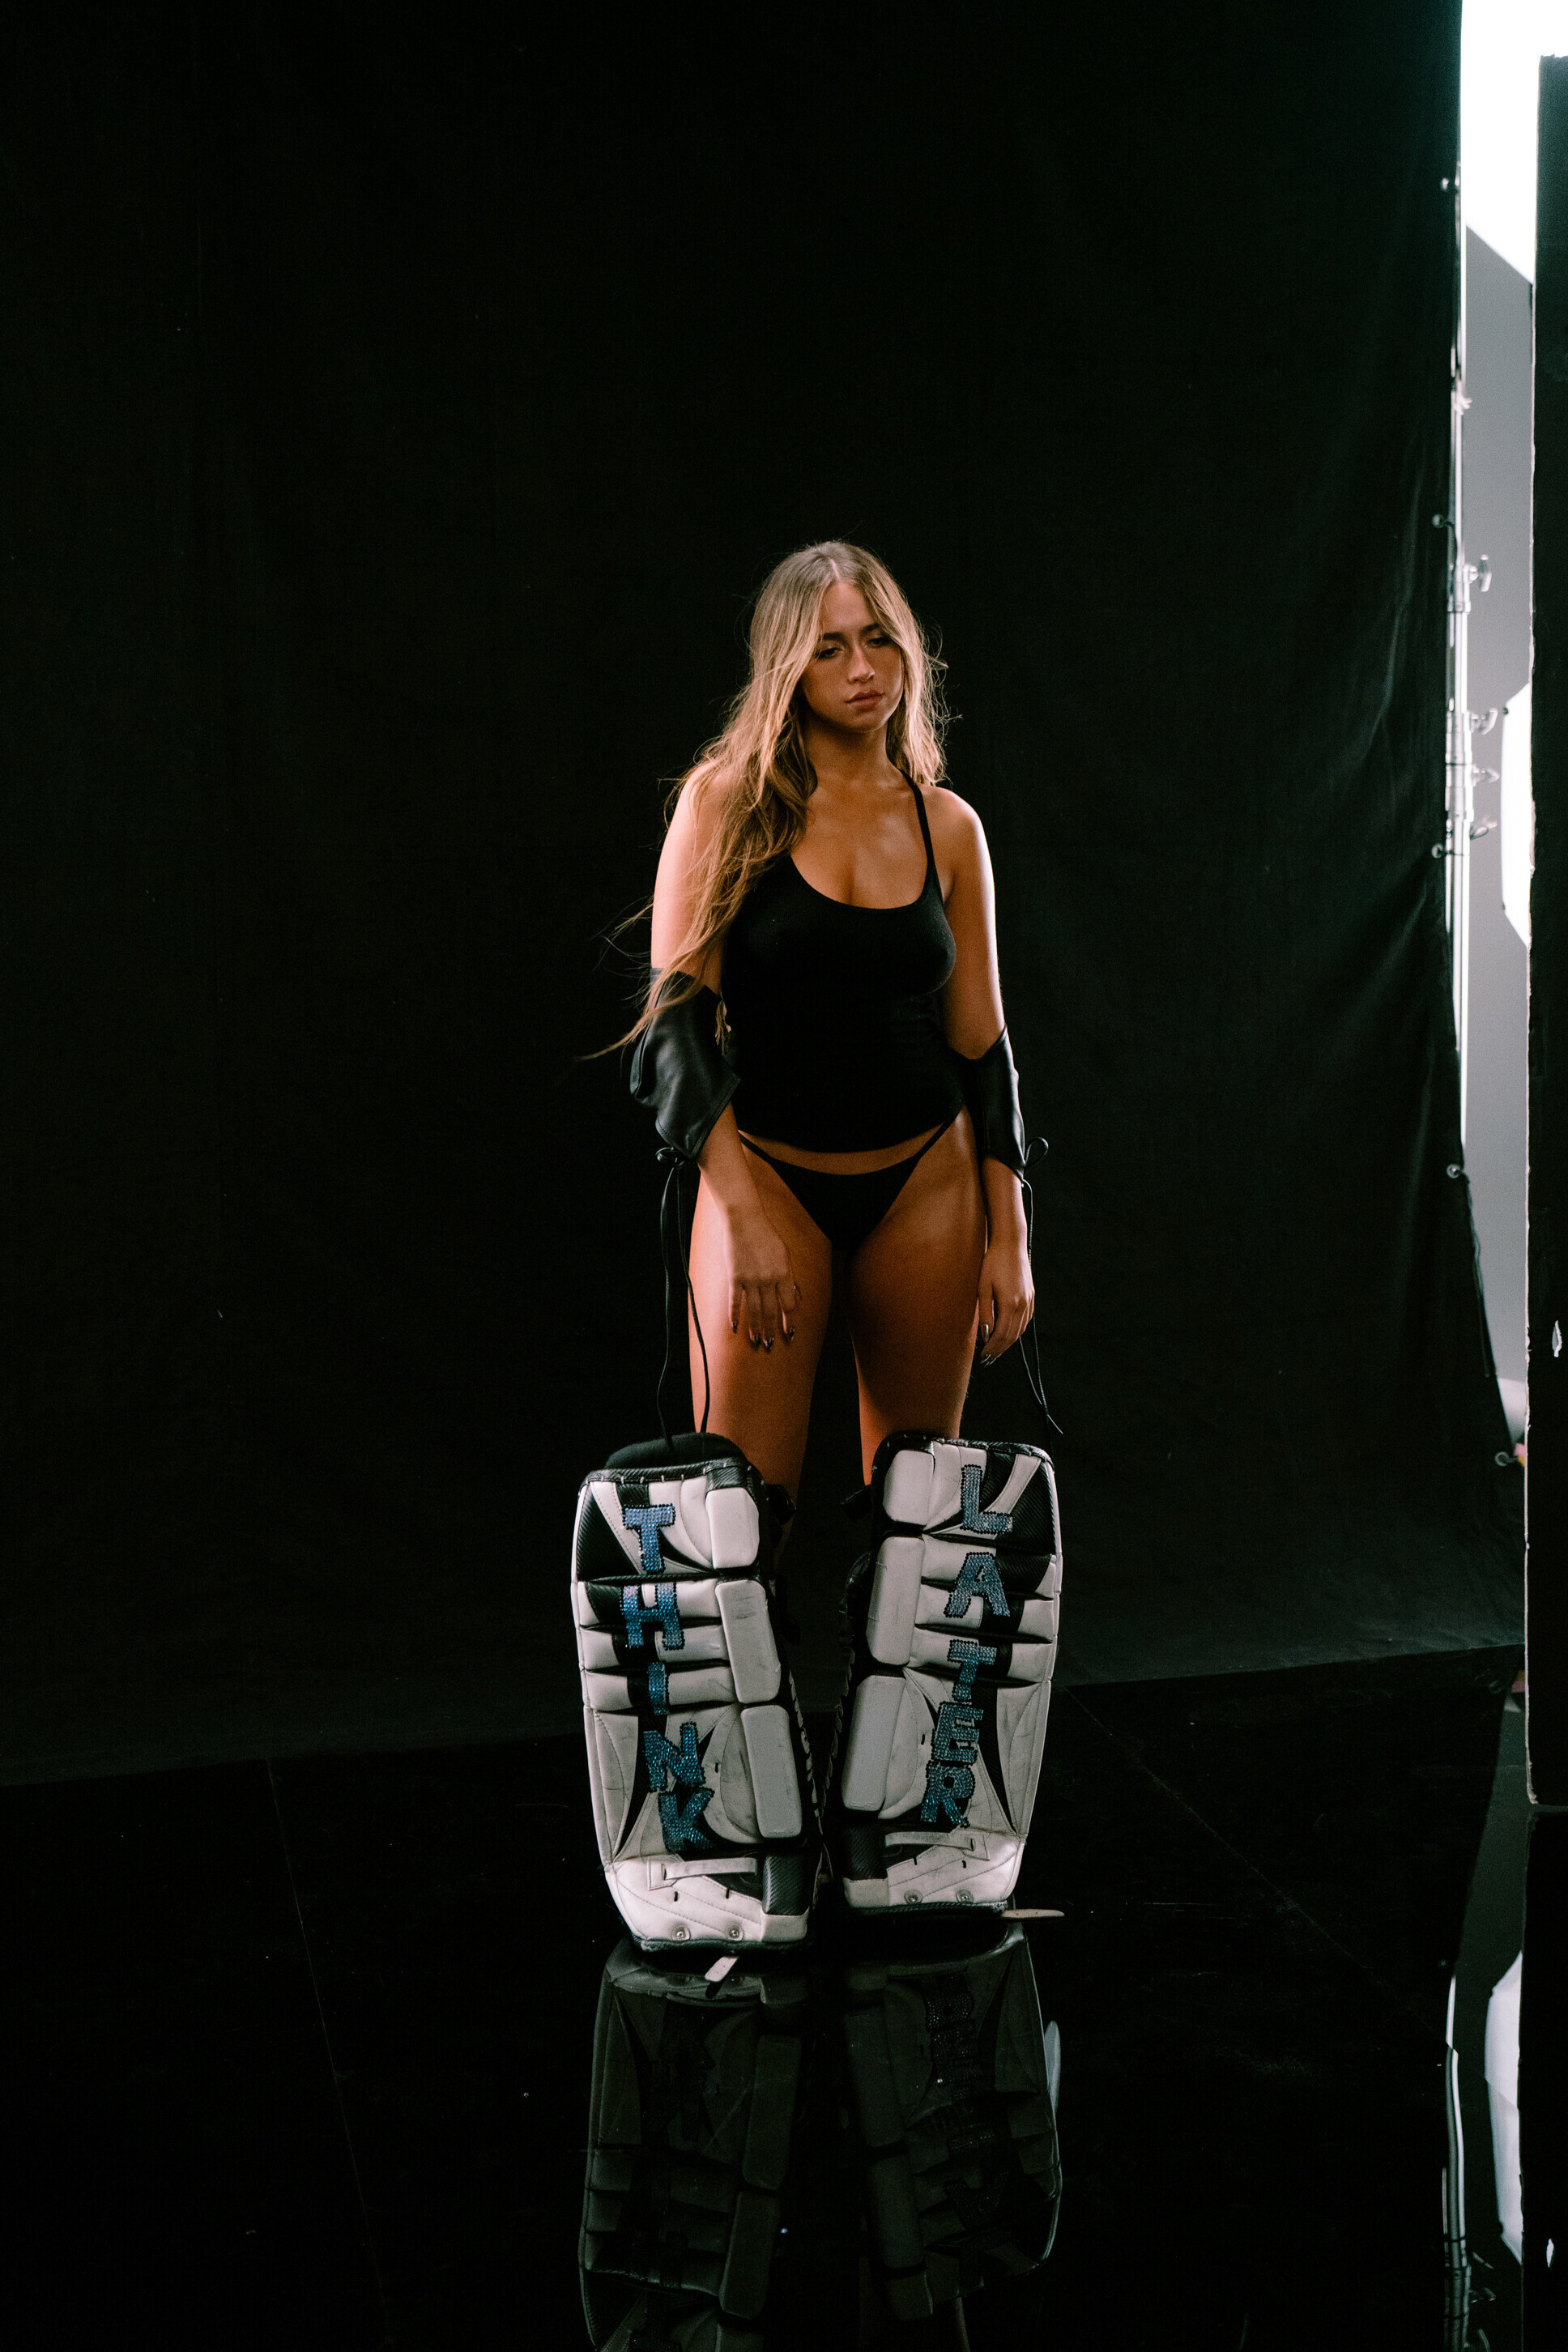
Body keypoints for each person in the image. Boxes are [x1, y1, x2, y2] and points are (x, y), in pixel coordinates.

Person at [628, 539, 1035, 1498]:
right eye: (829, 647)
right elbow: (673, 1034)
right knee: (742, 1514)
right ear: (786, 664)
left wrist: (1011, 1235)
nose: (863, 669)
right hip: (766, 1175)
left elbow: (982, 1046)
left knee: (918, 1513)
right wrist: (740, 1218)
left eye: (879, 639)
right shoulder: (725, 805)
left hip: (926, 1180)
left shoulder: (948, 826)